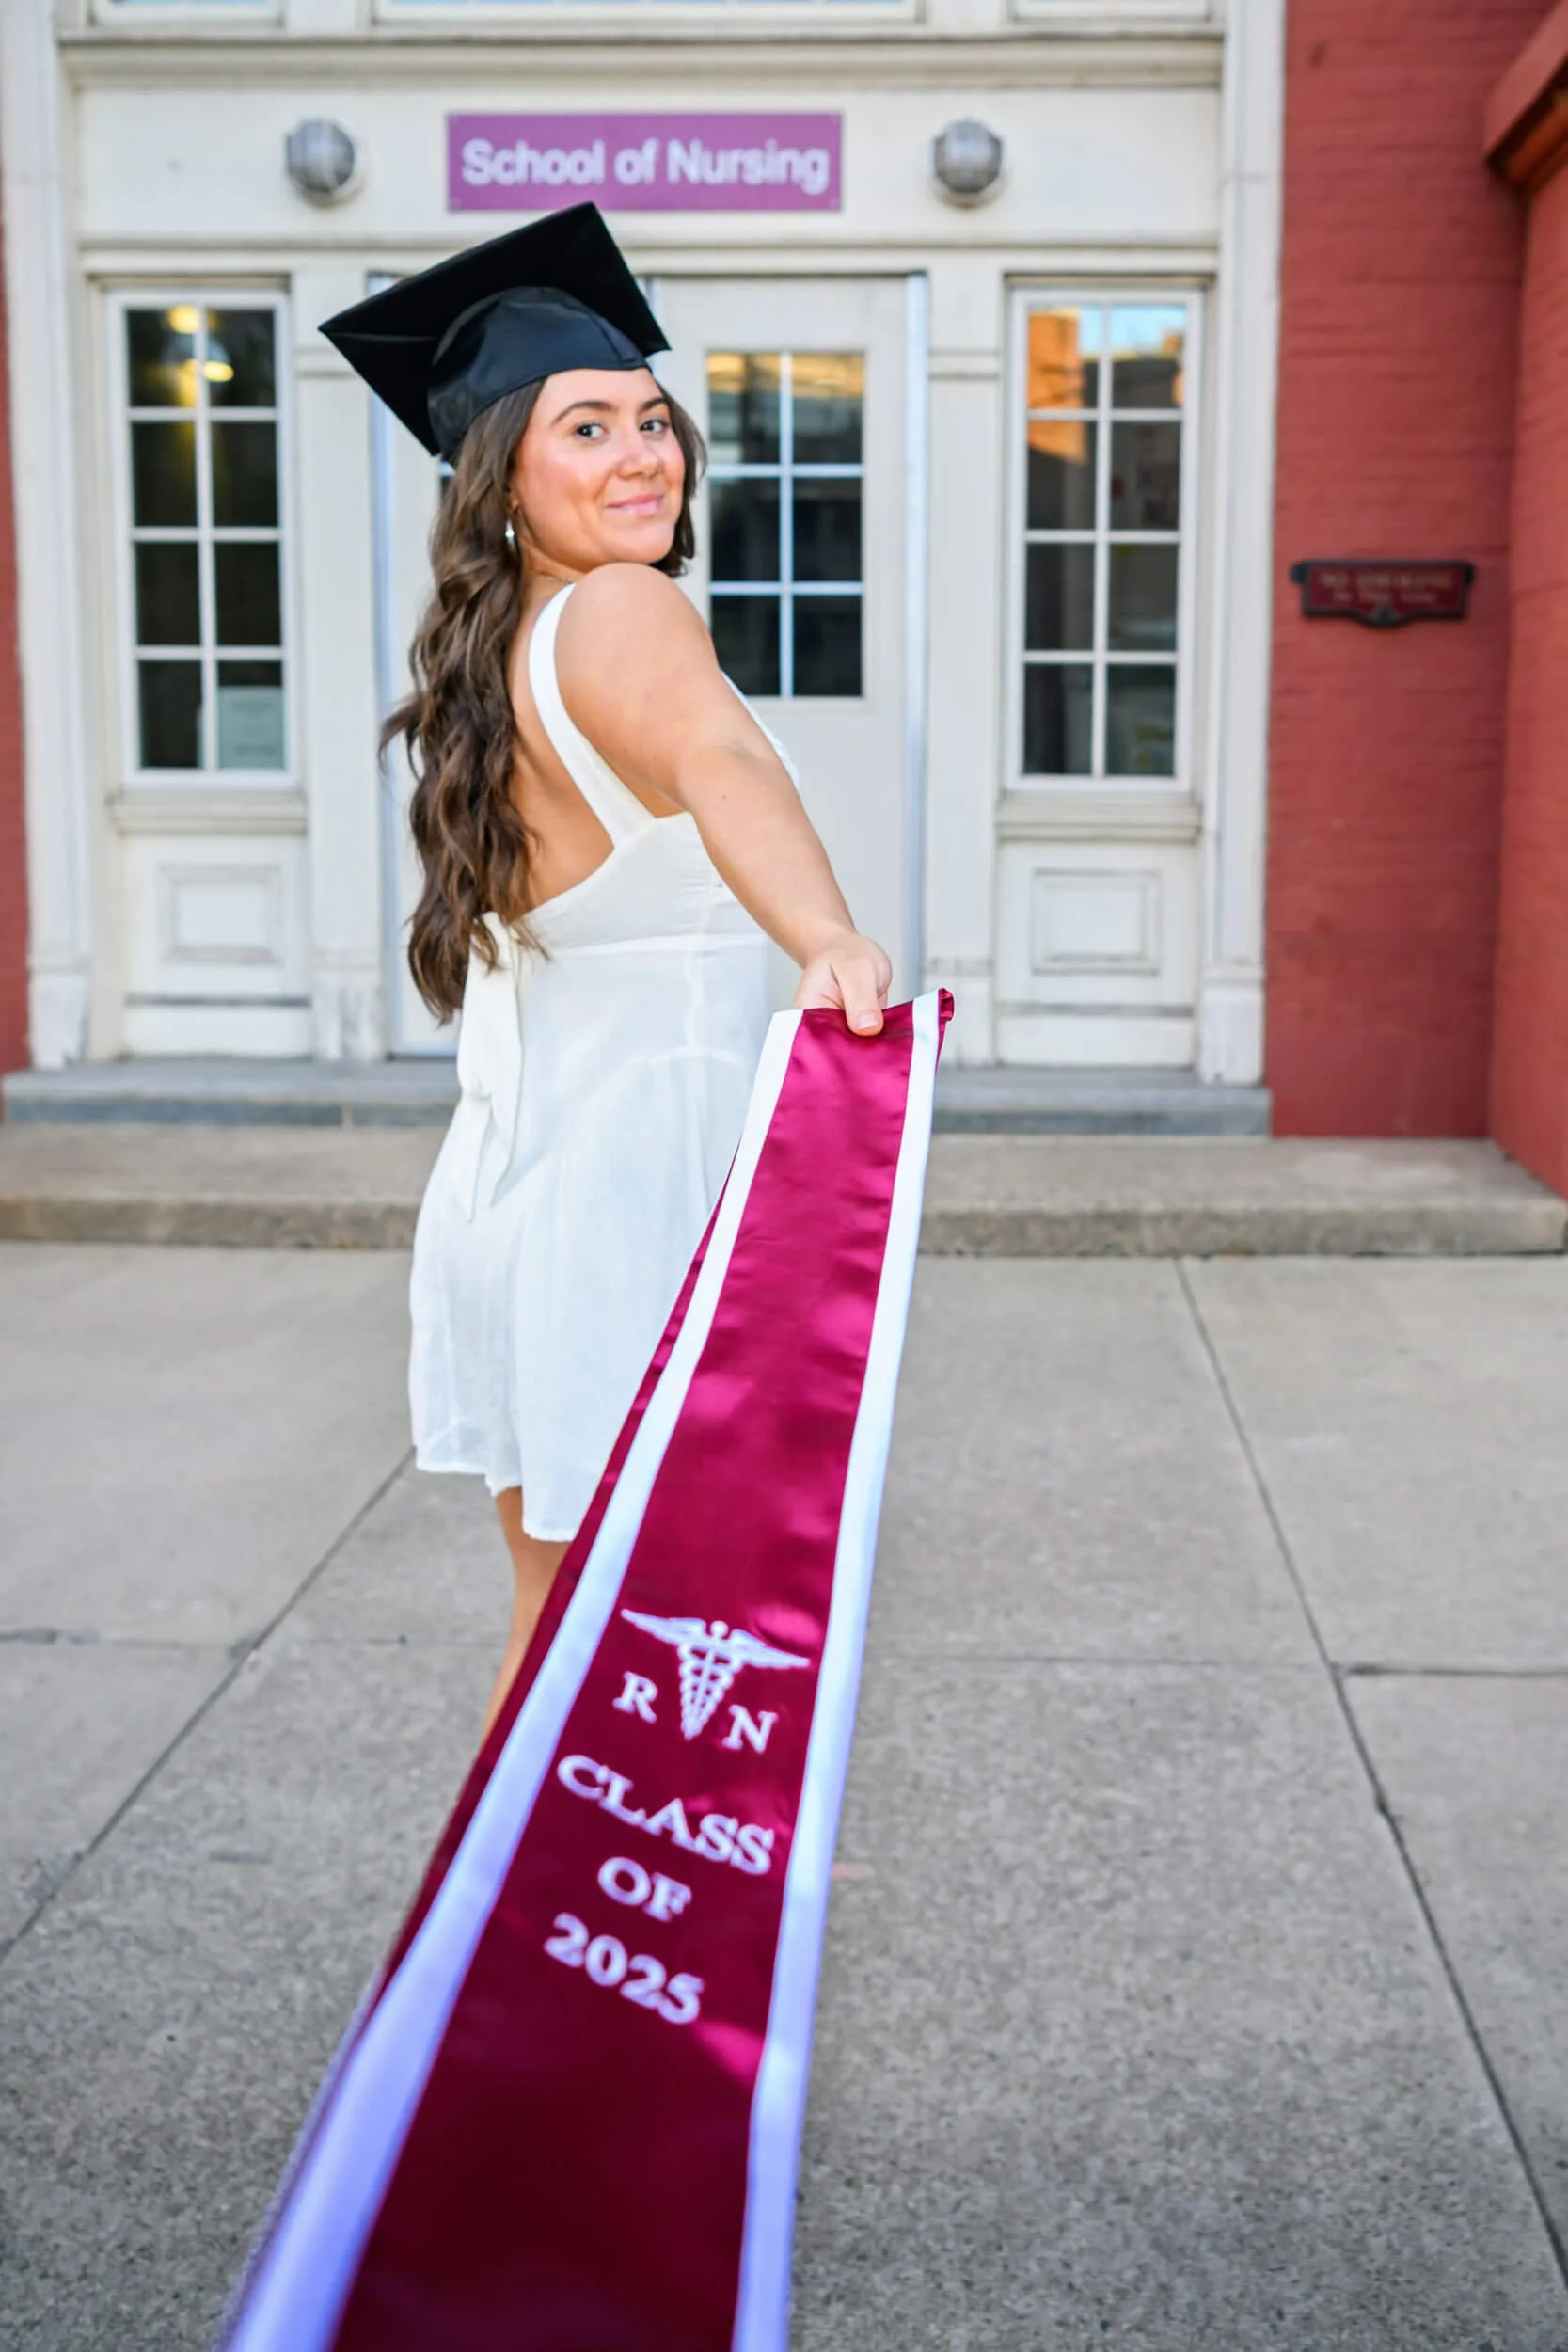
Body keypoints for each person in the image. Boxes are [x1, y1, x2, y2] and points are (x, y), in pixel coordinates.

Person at [324, 206, 891, 1736]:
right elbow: (722, 763)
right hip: (633, 1204)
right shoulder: (626, 611)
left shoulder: (491, 663)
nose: (646, 452)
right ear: (502, 474)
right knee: (666, 1626)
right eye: (589, 426)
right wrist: (825, 933)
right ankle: (618, 1926)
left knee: (557, 1620)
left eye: (654, 418)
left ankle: (510, 1944)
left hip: (530, 1208)